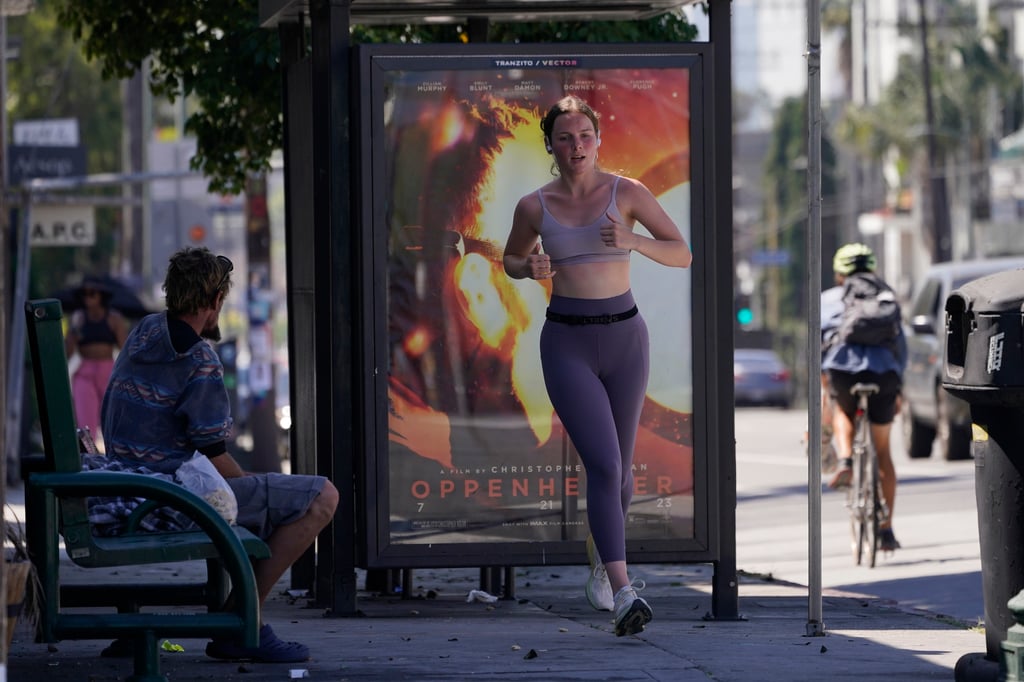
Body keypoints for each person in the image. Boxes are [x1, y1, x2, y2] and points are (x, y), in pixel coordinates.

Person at [502, 95, 692, 636]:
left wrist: (634, 239)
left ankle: (602, 567)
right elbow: (513, 259)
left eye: (585, 135)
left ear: (598, 140)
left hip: (626, 338)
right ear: (551, 146)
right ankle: (624, 590)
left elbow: (683, 251)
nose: (576, 146)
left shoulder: (627, 192)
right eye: (565, 137)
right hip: (568, 342)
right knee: (606, 468)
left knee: (621, 474)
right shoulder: (533, 206)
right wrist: (529, 265)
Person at [97, 246, 340, 662]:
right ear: (213, 301)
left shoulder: (144, 331)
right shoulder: (199, 360)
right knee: (322, 497)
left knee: (262, 499)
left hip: (126, 485)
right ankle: (245, 620)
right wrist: (257, 496)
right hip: (170, 497)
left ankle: (239, 612)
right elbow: (214, 456)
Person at [822, 243, 906, 553]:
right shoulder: (886, 296)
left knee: (843, 410)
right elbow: (902, 347)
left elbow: (822, 344)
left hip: (844, 370)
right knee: (882, 450)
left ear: (839, 274)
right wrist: (900, 389)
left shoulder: (831, 299)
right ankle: (886, 530)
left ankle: (845, 459)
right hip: (884, 374)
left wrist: (825, 385)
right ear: (871, 268)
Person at [63, 275, 128, 446]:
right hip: (85, 372)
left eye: (92, 293)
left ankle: (113, 455)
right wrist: (75, 329)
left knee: (112, 420)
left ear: (101, 295)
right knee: (86, 424)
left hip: (108, 371)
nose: (88, 297)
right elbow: (67, 353)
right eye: (84, 294)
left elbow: (125, 350)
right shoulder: (78, 318)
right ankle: (89, 459)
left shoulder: (113, 318)